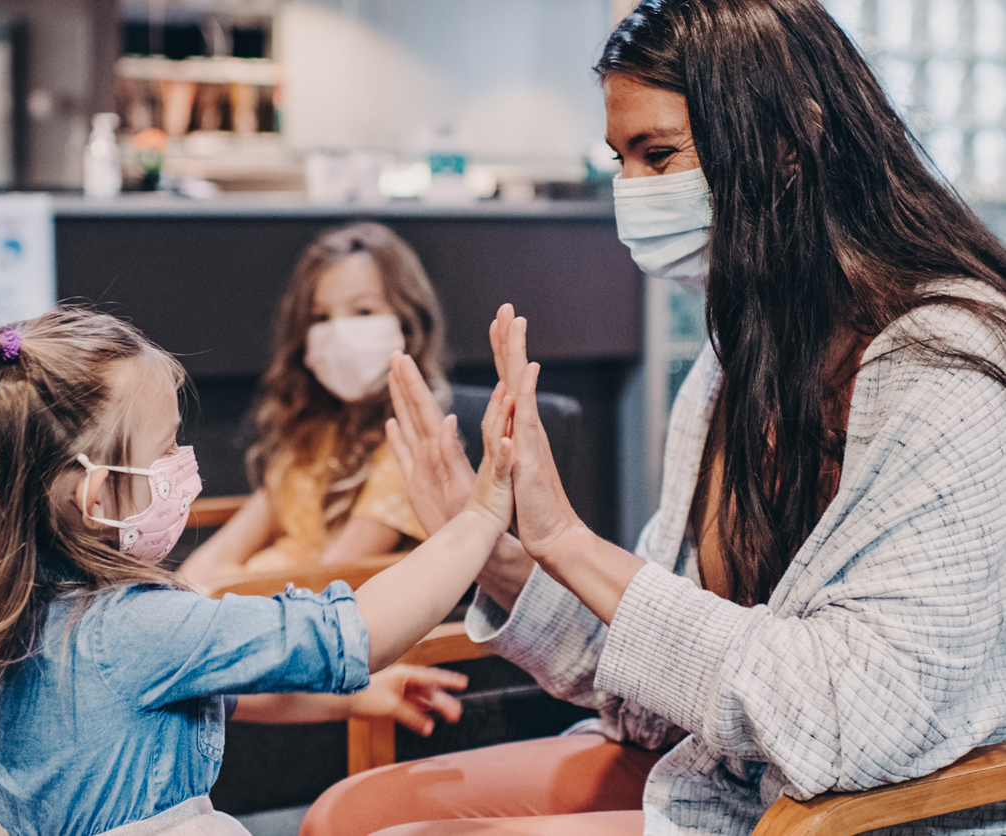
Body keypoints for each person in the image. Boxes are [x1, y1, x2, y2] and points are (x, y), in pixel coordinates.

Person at [299, 0, 1006, 834]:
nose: (630, 193)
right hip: (733, 772)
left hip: (851, 809)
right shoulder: (732, 366)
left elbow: (858, 720)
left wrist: (568, 541)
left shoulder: (950, 368)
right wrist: (497, 557)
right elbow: (648, 686)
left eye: (658, 156)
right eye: (620, 161)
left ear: (788, 144)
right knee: (349, 814)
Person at [0, 307, 518, 836]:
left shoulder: (21, 610)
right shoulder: (139, 626)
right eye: (166, 447)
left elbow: (208, 694)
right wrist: (477, 520)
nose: (185, 460)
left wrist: (352, 696)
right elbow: (358, 632)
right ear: (96, 498)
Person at [178, 223, 449, 585]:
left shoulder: (410, 445)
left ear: (409, 322)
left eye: (363, 311)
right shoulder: (314, 429)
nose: (339, 333)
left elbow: (328, 581)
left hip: (290, 615)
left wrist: (213, 600)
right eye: (321, 318)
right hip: (244, 599)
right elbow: (226, 548)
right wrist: (185, 594)